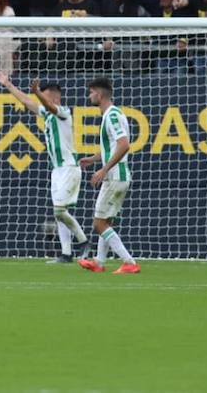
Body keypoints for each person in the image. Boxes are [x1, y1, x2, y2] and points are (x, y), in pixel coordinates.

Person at [0, 71, 89, 264]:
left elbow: (43, 104)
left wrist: (37, 92)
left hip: (69, 167)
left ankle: (84, 242)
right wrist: (8, 85)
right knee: (62, 213)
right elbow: (27, 102)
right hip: (57, 170)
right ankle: (66, 253)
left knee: (59, 211)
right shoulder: (47, 114)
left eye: (44, 94)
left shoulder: (64, 112)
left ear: (54, 96)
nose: (40, 98)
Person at [77, 77, 139, 274]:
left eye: (91, 92)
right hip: (117, 175)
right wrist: (95, 159)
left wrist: (103, 169)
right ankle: (100, 262)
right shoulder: (113, 114)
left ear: (100, 94)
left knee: (99, 223)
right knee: (106, 221)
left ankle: (129, 261)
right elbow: (113, 147)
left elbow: (124, 145)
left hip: (115, 176)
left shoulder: (111, 115)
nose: (89, 96)